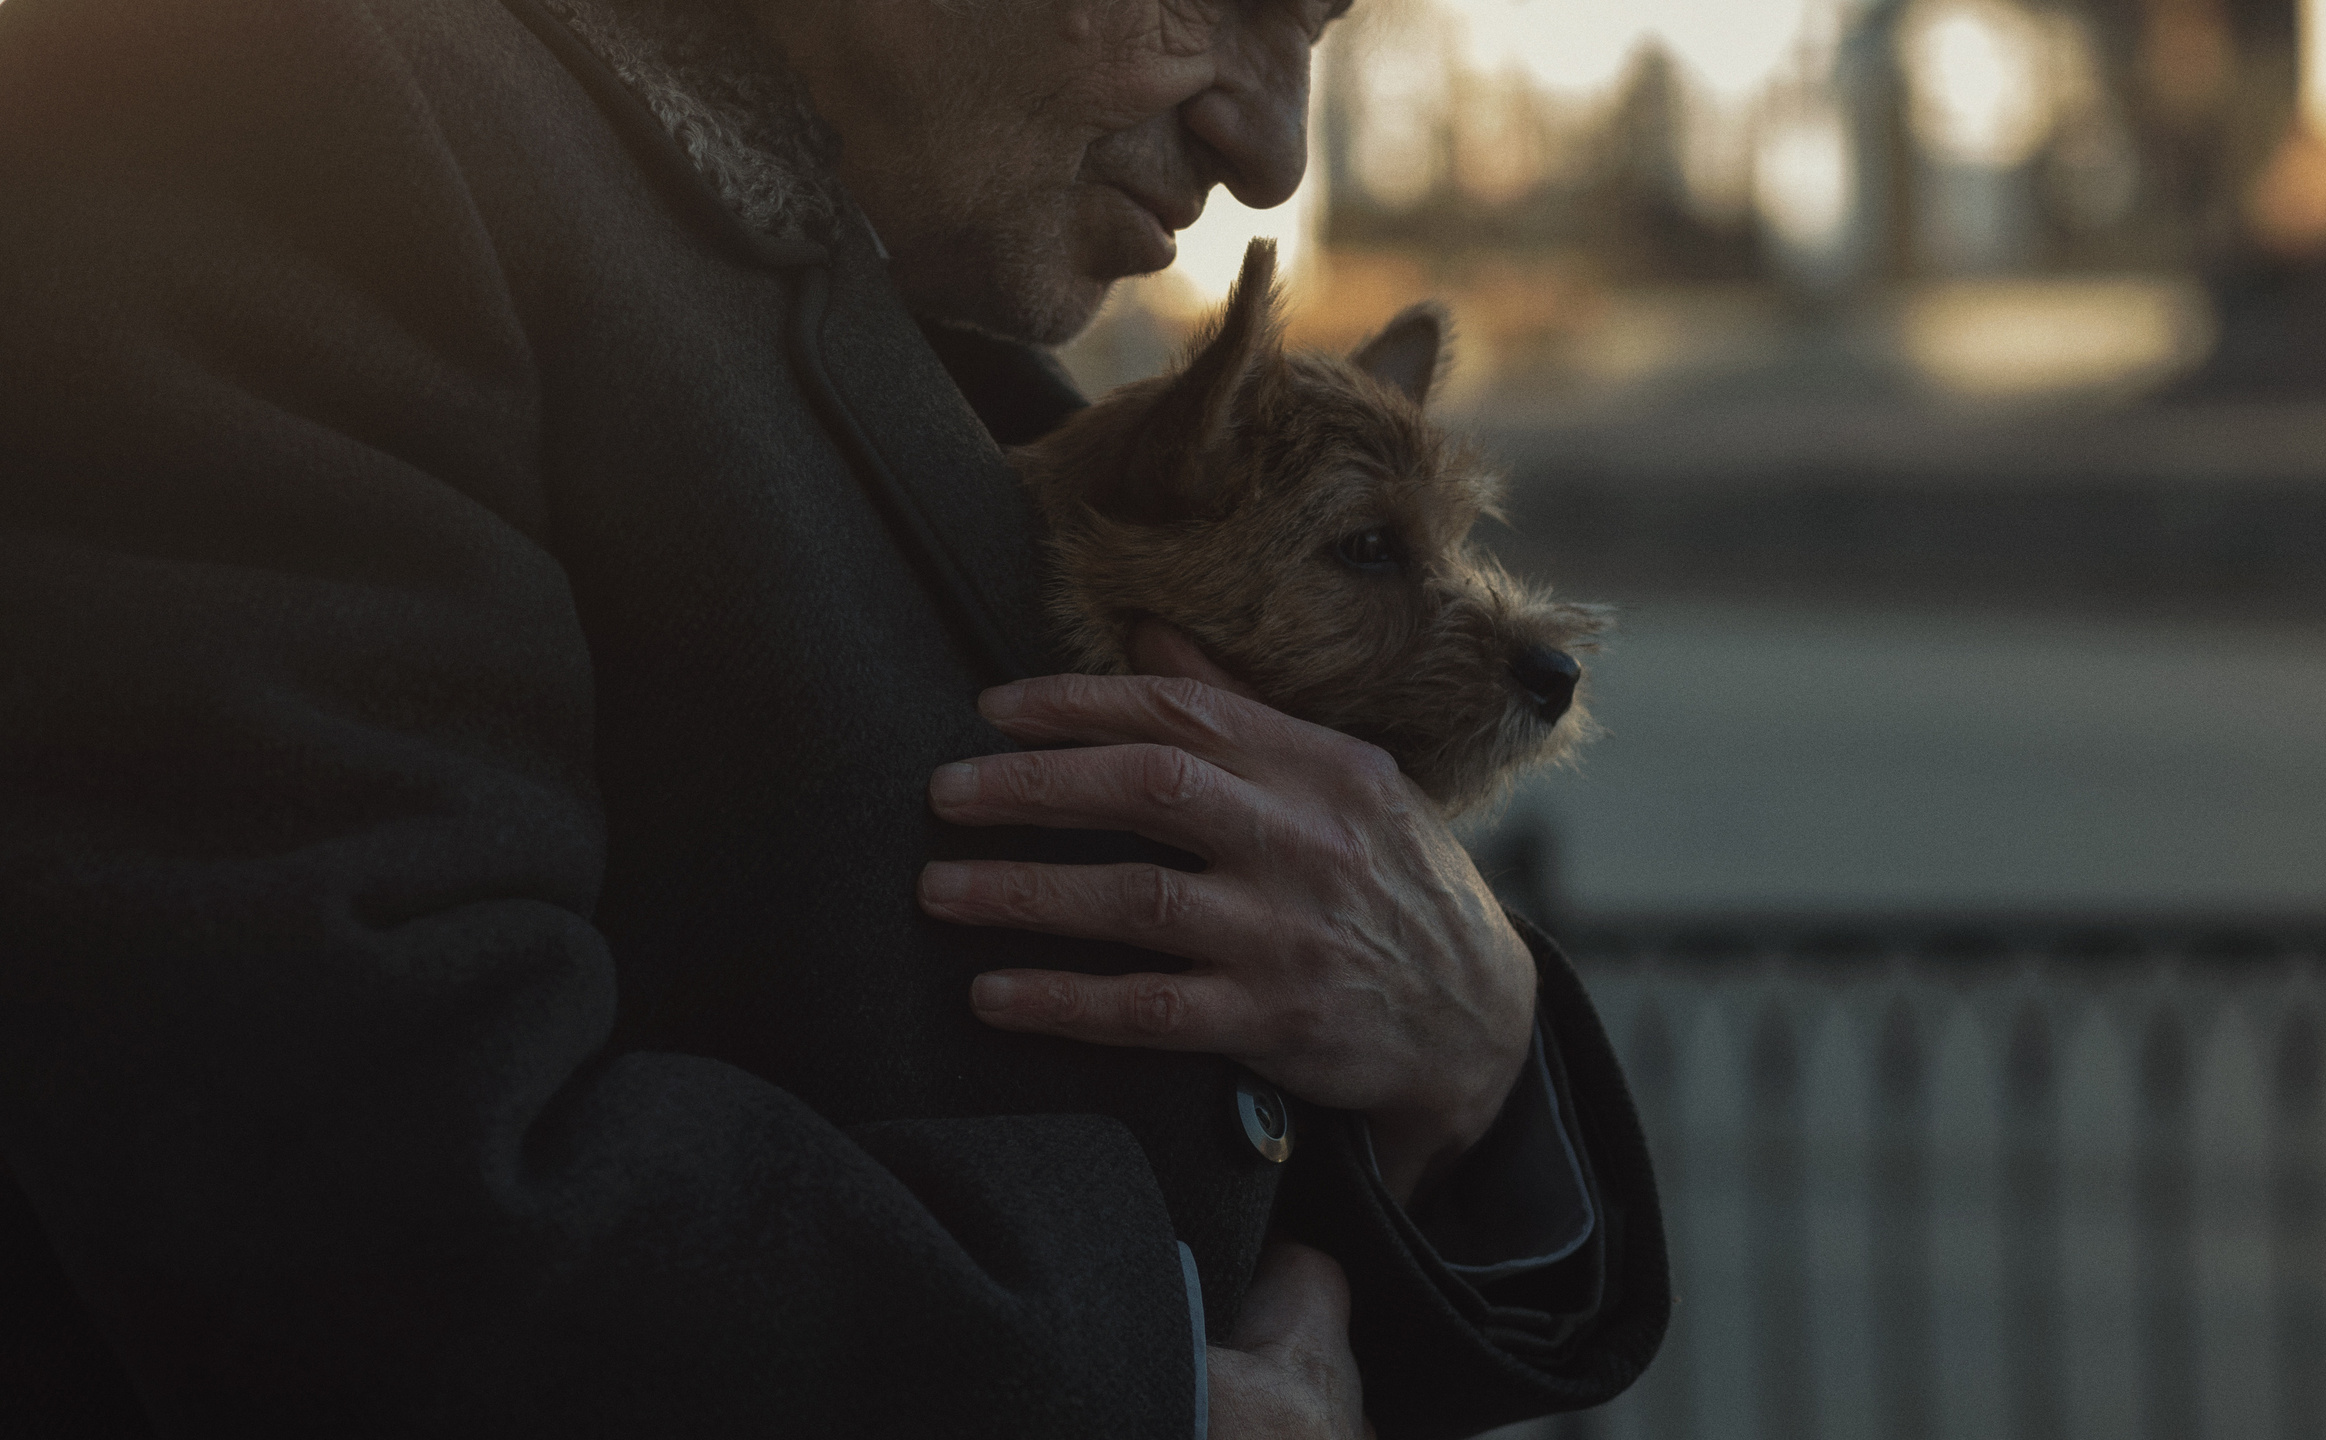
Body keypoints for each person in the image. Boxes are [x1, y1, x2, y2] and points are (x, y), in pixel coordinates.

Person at [0, 0, 1668, 1434]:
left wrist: (1477, 1049)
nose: (1272, 149)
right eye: (1220, 1)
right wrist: (1135, 1383)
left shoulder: (947, 340)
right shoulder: (283, 103)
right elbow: (348, 1174)